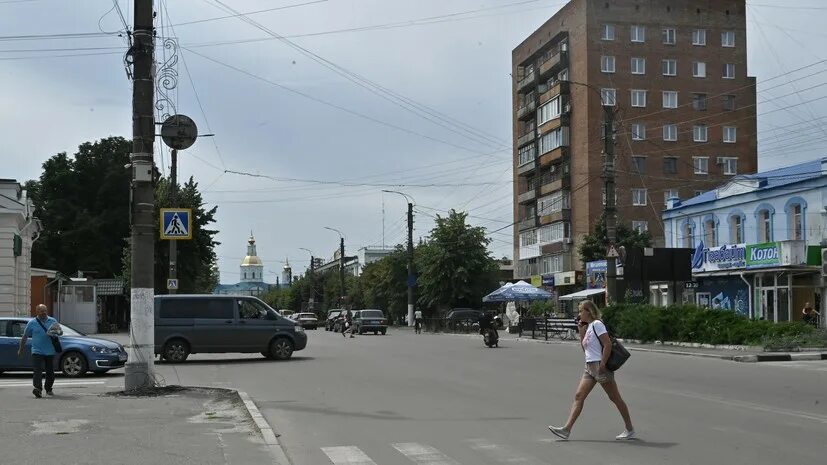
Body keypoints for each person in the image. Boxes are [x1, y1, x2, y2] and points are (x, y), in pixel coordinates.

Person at [548, 300, 635, 441]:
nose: (579, 314)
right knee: (578, 396)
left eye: (581, 311)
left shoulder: (597, 324)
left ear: (589, 311)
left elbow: (607, 344)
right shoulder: (587, 327)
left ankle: (629, 429)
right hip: (589, 367)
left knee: (615, 398)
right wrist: (581, 332)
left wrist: (602, 364)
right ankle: (566, 429)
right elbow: (585, 350)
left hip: (600, 367)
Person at [18, 304, 63, 398]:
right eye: (41, 311)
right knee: (37, 371)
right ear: (37, 312)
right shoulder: (32, 323)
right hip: (37, 351)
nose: (44, 313)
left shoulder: (52, 321)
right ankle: (38, 389)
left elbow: (60, 333)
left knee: (50, 372)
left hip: (50, 351)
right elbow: (25, 336)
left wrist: (56, 332)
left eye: (45, 310)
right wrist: (21, 349)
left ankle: (49, 388)